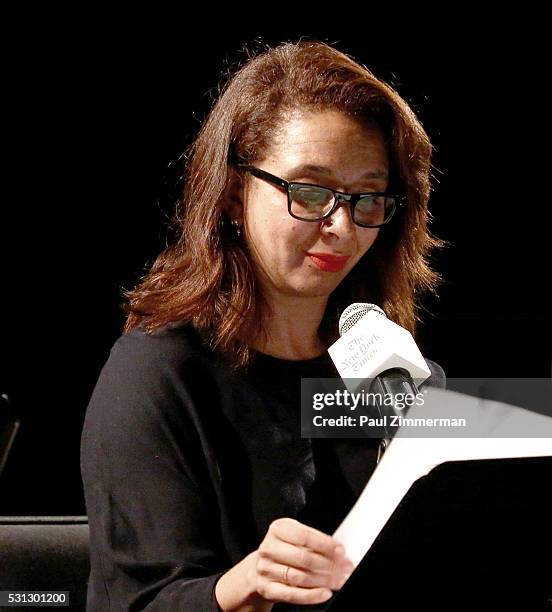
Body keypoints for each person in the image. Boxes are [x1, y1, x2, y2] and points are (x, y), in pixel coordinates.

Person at [81, 40, 445, 611]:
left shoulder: (388, 375)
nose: (342, 227)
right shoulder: (160, 374)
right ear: (232, 193)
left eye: (367, 198)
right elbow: (139, 601)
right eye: (309, 191)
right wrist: (243, 584)